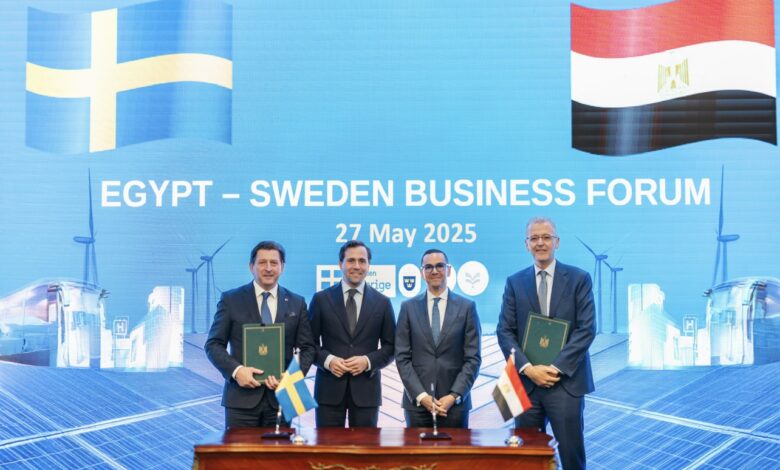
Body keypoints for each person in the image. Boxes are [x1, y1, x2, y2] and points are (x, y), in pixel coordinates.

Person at [497, 217, 596, 470]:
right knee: (527, 459)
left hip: (565, 384)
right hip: (525, 384)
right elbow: (504, 331)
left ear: (557, 242)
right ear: (526, 244)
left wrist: (554, 368)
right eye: (534, 238)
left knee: (572, 458)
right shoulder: (514, 282)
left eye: (546, 237)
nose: (540, 243)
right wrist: (529, 369)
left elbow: (586, 329)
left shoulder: (579, 278)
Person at [205, 240, 315, 428]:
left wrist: (291, 376)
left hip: (282, 398)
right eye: (262, 262)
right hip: (240, 399)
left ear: (282, 267)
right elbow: (213, 345)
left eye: (274, 263)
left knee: (280, 448)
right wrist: (237, 371)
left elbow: (308, 348)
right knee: (240, 449)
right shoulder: (231, 300)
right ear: (251, 267)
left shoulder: (297, 303)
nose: (268, 268)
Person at [309, 240, 396, 427]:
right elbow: (309, 344)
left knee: (366, 446)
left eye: (362, 261)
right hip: (328, 391)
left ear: (369, 265)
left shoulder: (383, 302)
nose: (357, 266)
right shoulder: (321, 299)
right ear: (340, 264)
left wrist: (368, 361)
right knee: (327, 445)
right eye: (351, 260)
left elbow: (392, 347)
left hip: (367, 392)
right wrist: (328, 360)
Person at [395, 249, 481, 428]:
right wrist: (422, 396)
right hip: (417, 405)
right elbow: (402, 357)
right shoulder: (408, 308)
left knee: (456, 448)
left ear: (448, 270)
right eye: (428, 267)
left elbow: (473, 358)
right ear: (422, 272)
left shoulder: (467, 307)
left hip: (455, 406)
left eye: (440, 266)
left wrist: (454, 396)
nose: (434, 271)